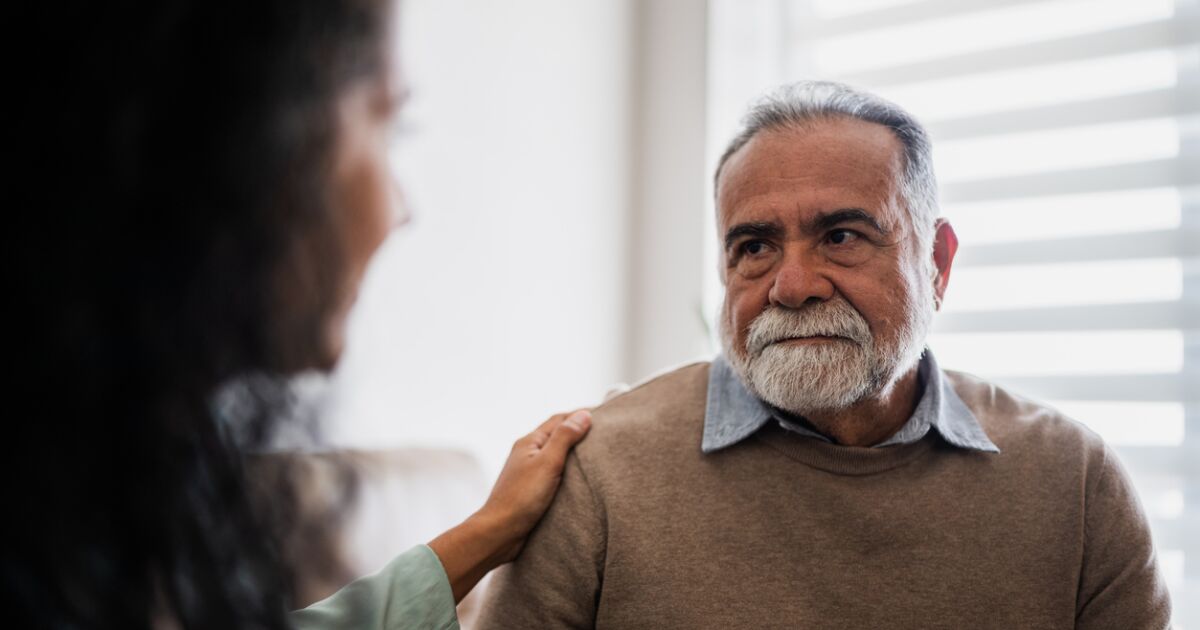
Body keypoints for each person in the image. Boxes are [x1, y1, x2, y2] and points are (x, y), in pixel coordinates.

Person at [476, 81, 1173, 629]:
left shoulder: (1075, 482)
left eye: (841, 236)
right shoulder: (599, 473)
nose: (793, 286)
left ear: (936, 262)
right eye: (754, 247)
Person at [11, 1, 588, 628]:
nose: (400, 208)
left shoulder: (131, 476)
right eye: (389, 124)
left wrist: (490, 529)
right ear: (256, 130)